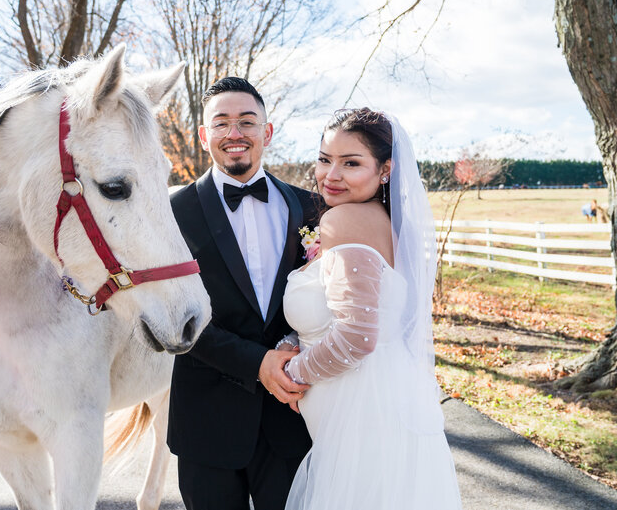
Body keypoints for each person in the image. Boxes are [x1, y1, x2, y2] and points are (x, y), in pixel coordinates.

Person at [281, 108, 462, 509]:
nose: (331, 175)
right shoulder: (388, 222)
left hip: (360, 411)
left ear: (385, 170)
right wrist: (291, 340)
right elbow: (362, 313)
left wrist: (290, 375)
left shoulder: (343, 221)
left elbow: (356, 338)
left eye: (351, 163)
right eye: (325, 159)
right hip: (389, 399)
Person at [167, 77, 321, 510]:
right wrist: (257, 364)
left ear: (267, 132)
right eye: (221, 123)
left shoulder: (310, 208)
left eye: (247, 122)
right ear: (204, 136)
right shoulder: (170, 214)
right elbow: (177, 315)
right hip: (206, 422)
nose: (234, 134)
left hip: (293, 417)